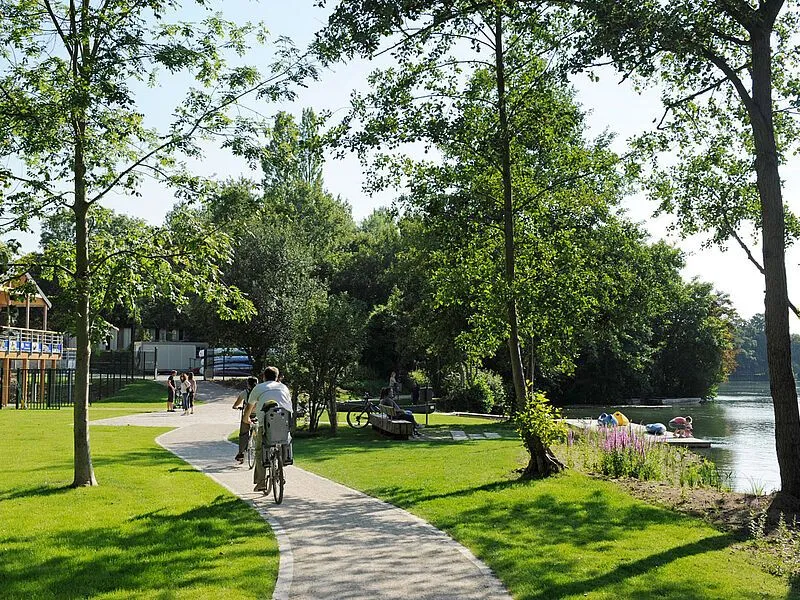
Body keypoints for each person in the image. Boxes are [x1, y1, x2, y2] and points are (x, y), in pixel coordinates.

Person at [246, 366, 293, 491]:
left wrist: (246, 419)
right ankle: (281, 467)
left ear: (264, 377)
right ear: (277, 377)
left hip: (265, 424)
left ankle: (261, 482)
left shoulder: (259, 388)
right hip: (284, 423)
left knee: (259, 450)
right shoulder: (284, 387)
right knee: (285, 441)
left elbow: (249, 406)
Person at [232, 376, 259, 463]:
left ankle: (241, 453)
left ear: (248, 384)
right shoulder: (259, 392)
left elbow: (236, 404)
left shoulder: (244, 393)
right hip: (258, 415)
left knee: (243, 434)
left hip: (247, 416)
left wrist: (235, 407)